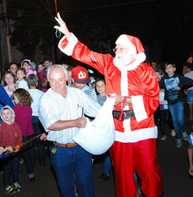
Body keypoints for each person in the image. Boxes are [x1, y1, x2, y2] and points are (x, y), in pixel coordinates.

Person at [55, 13, 163, 197]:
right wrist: (68, 35)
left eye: (121, 48)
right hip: (118, 130)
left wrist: (126, 100)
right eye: (116, 48)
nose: (116, 51)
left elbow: (153, 99)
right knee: (122, 175)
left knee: (149, 172)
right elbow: (87, 54)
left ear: (132, 50)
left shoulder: (145, 70)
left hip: (142, 128)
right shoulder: (109, 64)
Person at [39, 65, 101, 197]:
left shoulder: (78, 94)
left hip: (81, 147)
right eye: (52, 80)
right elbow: (51, 125)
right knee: (66, 187)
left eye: (60, 79)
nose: (56, 84)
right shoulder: (45, 99)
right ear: (48, 80)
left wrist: (112, 107)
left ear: (67, 78)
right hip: (59, 150)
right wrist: (76, 122)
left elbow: (96, 110)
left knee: (86, 184)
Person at [159, 63, 193, 148]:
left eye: (170, 68)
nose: (168, 69)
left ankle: (183, 131)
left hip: (179, 101)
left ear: (174, 69)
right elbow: (158, 85)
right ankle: (178, 137)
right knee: (174, 121)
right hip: (170, 103)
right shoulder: (164, 78)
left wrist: (180, 85)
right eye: (166, 68)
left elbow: (190, 81)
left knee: (180, 119)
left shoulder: (178, 76)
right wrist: (161, 89)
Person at [0, 106, 23, 194]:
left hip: (15, 153)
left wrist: (18, 147)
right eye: (3, 113)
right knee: (7, 170)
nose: (6, 115)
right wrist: (0, 150)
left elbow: (19, 139)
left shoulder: (16, 125)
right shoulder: (0, 128)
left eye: (8, 113)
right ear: (1, 116)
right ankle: (7, 185)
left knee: (15, 168)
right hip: (5, 154)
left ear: (12, 114)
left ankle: (16, 182)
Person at [12, 88, 36, 182]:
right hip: (27, 135)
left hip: (17, 136)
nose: (14, 100)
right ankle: (31, 174)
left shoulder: (16, 108)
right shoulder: (29, 108)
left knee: (15, 156)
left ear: (19, 98)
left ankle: (16, 175)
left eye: (15, 98)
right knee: (27, 155)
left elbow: (13, 121)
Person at [94, 78, 112, 182]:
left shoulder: (109, 99)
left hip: (108, 128)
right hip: (97, 129)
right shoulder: (94, 99)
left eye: (102, 85)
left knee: (109, 151)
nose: (100, 87)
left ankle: (106, 172)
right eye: (98, 86)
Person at [27, 74, 46, 167]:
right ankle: (42, 162)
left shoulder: (25, 93)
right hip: (39, 119)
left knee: (30, 142)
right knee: (40, 141)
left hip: (29, 119)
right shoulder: (41, 93)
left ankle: (32, 162)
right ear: (37, 83)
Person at [155, 68, 176, 140]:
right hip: (156, 102)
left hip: (163, 102)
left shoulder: (165, 81)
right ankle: (163, 134)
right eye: (155, 75)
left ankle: (172, 128)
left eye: (158, 75)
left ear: (162, 75)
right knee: (160, 118)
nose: (156, 76)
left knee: (166, 118)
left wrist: (165, 90)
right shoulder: (153, 83)